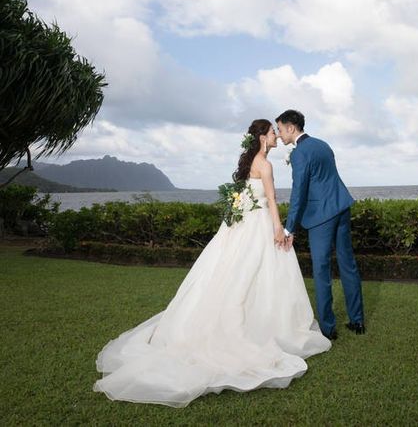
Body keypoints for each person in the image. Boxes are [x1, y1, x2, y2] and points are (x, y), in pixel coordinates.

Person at [93, 119, 331, 408]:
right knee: (260, 274)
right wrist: (279, 229)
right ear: (261, 137)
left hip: (242, 226)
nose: (276, 137)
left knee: (235, 274)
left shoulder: (248, 164)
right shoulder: (265, 165)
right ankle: (268, 326)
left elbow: (242, 198)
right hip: (259, 225)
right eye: (272, 133)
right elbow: (270, 199)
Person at [276, 110, 365, 340]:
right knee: (348, 265)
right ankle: (357, 320)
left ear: (291, 128)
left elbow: (299, 192)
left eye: (280, 129)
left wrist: (289, 227)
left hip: (321, 217)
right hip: (341, 207)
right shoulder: (323, 145)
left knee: (321, 270)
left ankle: (328, 328)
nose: (279, 134)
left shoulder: (299, 153)